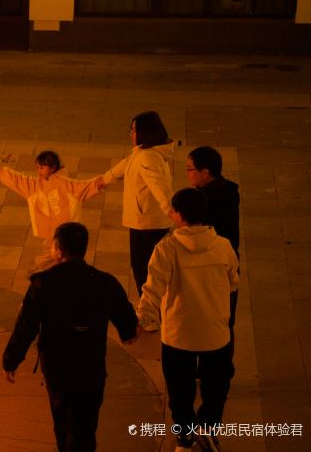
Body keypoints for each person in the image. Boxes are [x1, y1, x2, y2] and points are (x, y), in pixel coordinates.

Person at [3, 222, 138, 452]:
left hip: (57, 364)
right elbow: (126, 319)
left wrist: (11, 359)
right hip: (91, 363)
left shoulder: (43, 284)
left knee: (62, 416)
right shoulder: (104, 281)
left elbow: (26, 326)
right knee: (86, 422)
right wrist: (128, 333)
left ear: (57, 248)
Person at [138, 188, 239, 452]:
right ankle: (208, 429)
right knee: (215, 388)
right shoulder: (223, 246)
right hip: (216, 332)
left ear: (180, 216)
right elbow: (232, 283)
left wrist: (142, 320)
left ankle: (185, 437)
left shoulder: (167, 248)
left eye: (172, 209)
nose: (170, 213)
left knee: (180, 391)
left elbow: (152, 289)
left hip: (178, 334)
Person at [0, 150, 106, 272]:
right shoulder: (36, 185)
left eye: (42, 168)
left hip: (64, 235)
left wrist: (104, 180)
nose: (38, 171)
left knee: (60, 261)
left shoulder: (67, 185)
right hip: (50, 235)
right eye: (37, 168)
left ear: (53, 168)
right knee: (52, 259)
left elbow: (86, 186)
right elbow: (17, 180)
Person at [101, 111, 175, 295]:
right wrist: (105, 179)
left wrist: (173, 213)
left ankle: (148, 312)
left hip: (147, 224)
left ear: (145, 132)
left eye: (134, 130)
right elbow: (127, 163)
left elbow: (160, 189)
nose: (131, 133)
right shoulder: (145, 152)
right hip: (145, 220)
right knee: (143, 268)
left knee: (143, 270)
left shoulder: (147, 158)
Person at [187, 145, 240, 360]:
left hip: (212, 266)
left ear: (205, 172)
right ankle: (223, 366)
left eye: (190, 169)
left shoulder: (205, 201)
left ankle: (213, 366)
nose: (187, 173)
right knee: (225, 319)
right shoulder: (228, 191)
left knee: (211, 318)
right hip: (229, 262)